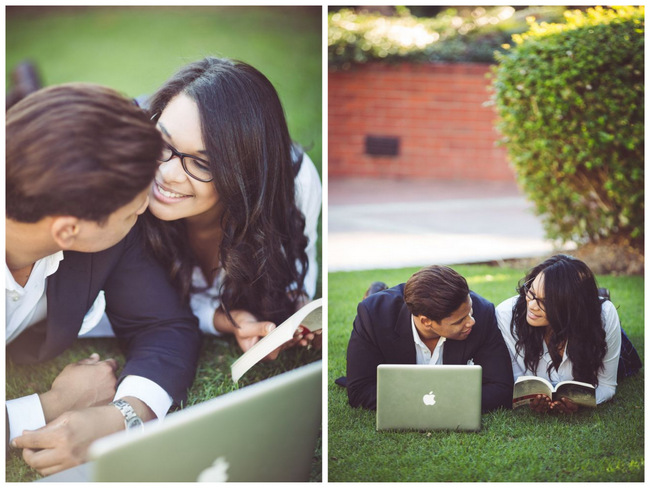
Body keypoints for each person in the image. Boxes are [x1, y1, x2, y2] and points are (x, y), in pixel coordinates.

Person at [6, 83, 201, 475]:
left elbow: (164, 325)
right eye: (132, 210)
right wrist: (50, 406)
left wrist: (124, 415)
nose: (145, 207)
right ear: (67, 231)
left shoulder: (103, 231)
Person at [140, 57, 322, 357]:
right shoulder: (131, 169)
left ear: (245, 175)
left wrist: (298, 309)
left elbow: (296, 270)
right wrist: (227, 321)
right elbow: (127, 306)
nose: (166, 174)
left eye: (200, 163)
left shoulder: (294, 184)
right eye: (162, 142)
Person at [345, 265, 513, 412]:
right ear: (426, 321)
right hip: (384, 312)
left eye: (470, 312)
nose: (471, 321)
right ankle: (375, 292)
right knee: (378, 302)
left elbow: (501, 388)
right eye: (460, 320)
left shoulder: (483, 312)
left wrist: (439, 403)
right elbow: (360, 390)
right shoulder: (372, 316)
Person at [495, 254, 632, 414]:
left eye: (544, 301)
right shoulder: (506, 315)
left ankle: (594, 295)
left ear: (570, 306)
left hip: (586, 323)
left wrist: (581, 402)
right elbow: (517, 383)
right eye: (531, 292)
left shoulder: (605, 316)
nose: (532, 305)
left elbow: (607, 386)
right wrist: (529, 399)